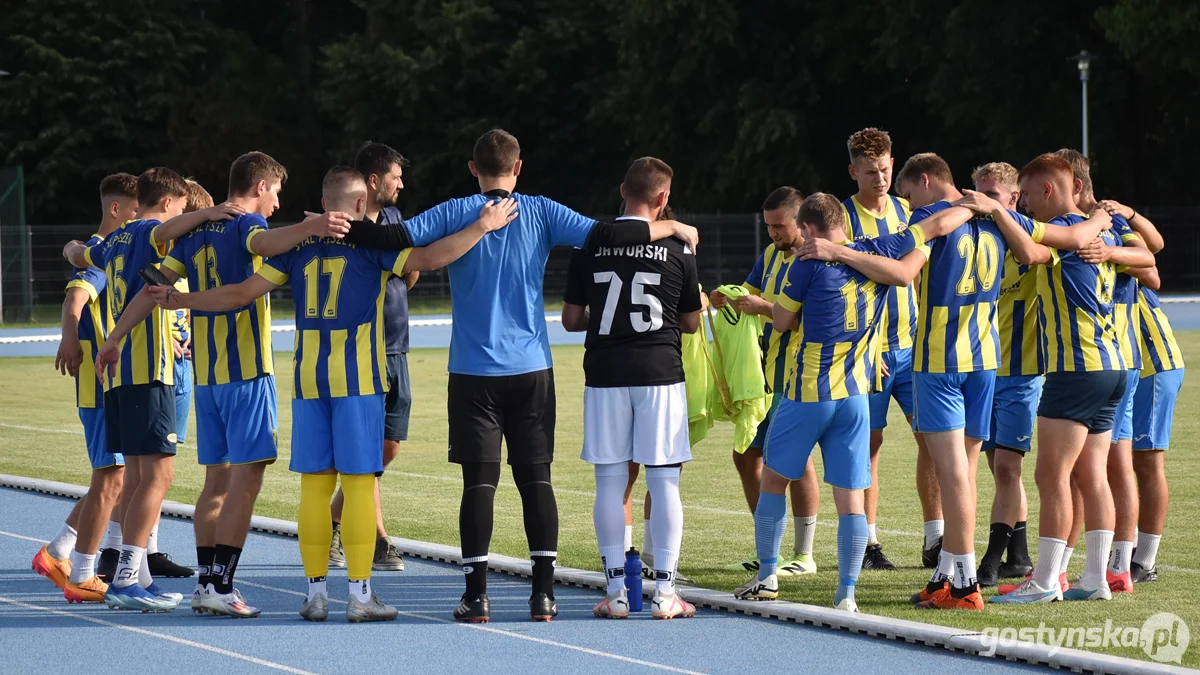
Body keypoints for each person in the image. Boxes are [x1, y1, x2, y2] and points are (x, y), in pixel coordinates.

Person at [149, 166, 518, 623]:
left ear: (323, 205)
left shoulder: (298, 245)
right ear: (362, 205)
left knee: (315, 488)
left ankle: (315, 594)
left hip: (309, 383)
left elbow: (241, 293)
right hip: (358, 384)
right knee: (359, 486)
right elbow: (432, 258)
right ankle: (361, 596)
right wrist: (482, 225)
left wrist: (181, 300)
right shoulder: (371, 244)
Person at [366, 129, 699, 623]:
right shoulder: (541, 209)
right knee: (536, 483)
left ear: (473, 169)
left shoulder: (457, 210)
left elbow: (392, 237)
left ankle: (476, 597)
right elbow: (609, 235)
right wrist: (670, 229)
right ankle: (543, 596)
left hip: (473, 371)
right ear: (519, 168)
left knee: (479, 486)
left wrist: (336, 227)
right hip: (531, 370)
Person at [105, 152, 354, 617]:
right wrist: (313, 226)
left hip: (208, 382)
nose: (278, 203)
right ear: (260, 186)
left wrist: (115, 336)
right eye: (276, 192)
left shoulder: (195, 231)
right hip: (247, 374)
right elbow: (265, 246)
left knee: (215, 483)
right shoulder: (244, 224)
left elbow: (151, 289)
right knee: (247, 480)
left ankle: (206, 583)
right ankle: (221, 584)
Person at [733, 193, 929, 611]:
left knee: (773, 480)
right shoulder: (873, 252)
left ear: (806, 230)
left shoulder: (807, 263)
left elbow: (783, 321)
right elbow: (920, 245)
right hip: (856, 395)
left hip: (809, 390)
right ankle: (847, 593)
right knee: (851, 499)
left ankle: (767, 574)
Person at [63, 167, 244, 612]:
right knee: (157, 477)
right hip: (150, 372)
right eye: (182, 208)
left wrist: (73, 248)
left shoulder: (113, 243)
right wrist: (215, 212)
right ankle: (126, 576)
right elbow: (169, 227)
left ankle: (133, 574)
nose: (185, 216)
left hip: (121, 377)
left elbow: (76, 252)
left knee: (140, 478)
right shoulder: (148, 232)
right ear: (167, 204)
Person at [990, 153, 1141, 604]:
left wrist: (996, 209)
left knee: (1051, 475)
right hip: (1114, 366)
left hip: (1076, 367)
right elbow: (1149, 255)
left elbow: (1031, 248)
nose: (1025, 204)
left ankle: (1044, 582)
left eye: (1029, 195)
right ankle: (1095, 578)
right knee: (1092, 475)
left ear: (1050, 190)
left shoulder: (1065, 232)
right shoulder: (1106, 231)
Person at [561, 157, 702, 620]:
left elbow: (571, 320)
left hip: (604, 372)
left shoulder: (590, 245)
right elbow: (690, 323)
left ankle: (617, 593)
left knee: (609, 480)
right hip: (660, 371)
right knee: (664, 481)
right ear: (663, 199)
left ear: (623, 189)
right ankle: (666, 595)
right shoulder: (680, 248)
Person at [1056, 148, 1156, 594]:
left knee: (1104, 467)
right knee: (1100, 467)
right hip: (1113, 357)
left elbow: (1152, 265)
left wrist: (1110, 248)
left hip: (1107, 356)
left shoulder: (1100, 225)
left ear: (1072, 186)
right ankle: (1105, 567)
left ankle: (1108, 567)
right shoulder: (1093, 226)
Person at [34, 174, 137, 604]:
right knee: (113, 475)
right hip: (101, 384)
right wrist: (71, 340)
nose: (138, 218)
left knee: (114, 475)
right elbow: (75, 300)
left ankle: (58, 551)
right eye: (134, 210)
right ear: (115, 209)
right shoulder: (99, 255)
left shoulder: (113, 254)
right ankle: (82, 573)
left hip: (111, 382)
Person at [841, 128, 939, 570]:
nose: (880, 179)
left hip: (913, 348)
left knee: (935, 440)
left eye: (884, 169)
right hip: (869, 353)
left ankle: (935, 538)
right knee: (869, 445)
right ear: (852, 172)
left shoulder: (908, 210)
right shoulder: (843, 220)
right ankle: (868, 543)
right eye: (870, 172)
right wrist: (865, 345)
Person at [711, 186, 820, 575]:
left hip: (799, 373)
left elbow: (814, 313)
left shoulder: (815, 256)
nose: (773, 233)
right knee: (745, 455)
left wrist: (763, 308)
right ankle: (768, 545)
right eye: (769, 226)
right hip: (766, 372)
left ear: (801, 221)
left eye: (780, 226)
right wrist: (728, 297)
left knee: (796, 460)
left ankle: (804, 555)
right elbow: (751, 293)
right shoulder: (771, 255)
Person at [327, 142, 416, 573]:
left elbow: (410, 270)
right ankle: (380, 540)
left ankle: (333, 518)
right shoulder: (342, 223)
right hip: (362, 351)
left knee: (389, 446)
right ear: (375, 181)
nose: (402, 183)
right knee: (364, 448)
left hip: (397, 346)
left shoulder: (397, 218)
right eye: (396, 176)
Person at [1098, 199, 1182, 583]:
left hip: (1150, 359)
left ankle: (1143, 561)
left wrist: (1124, 221)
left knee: (1145, 461)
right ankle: (1122, 551)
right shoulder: (1087, 230)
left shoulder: (1108, 229)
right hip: (1125, 362)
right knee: (1116, 461)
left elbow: (1154, 268)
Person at [970, 162, 1038, 586]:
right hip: (983, 372)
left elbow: (1032, 254)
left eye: (991, 196)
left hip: (1021, 372)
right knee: (1000, 470)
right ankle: (1020, 554)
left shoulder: (1030, 234)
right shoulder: (977, 237)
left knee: (1009, 469)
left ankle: (991, 562)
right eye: (978, 193)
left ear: (1014, 198)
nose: (981, 203)